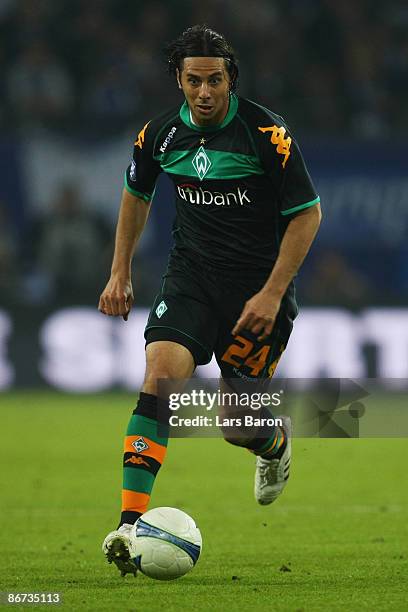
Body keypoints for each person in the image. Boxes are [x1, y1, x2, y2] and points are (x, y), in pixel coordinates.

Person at [99, 25, 321, 576]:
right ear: (178, 79)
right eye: (194, 81)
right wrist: (119, 271)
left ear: (230, 80)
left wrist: (272, 293)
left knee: (236, 426)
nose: (204, 92)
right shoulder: (158, 135)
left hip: (257, 292)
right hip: (191, 277)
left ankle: (272, 444)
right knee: (160, 376)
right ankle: (128, 525)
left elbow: (307, 213)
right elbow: (136, 192)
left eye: (214, 81)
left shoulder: (266, 134)